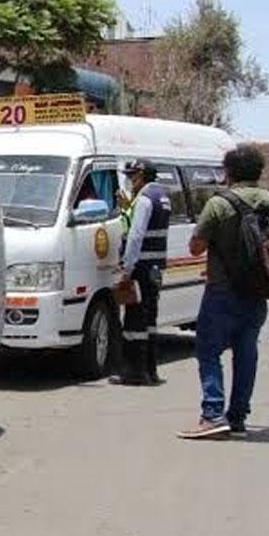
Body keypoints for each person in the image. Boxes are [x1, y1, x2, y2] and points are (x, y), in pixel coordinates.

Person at [178, 146, 269, 439]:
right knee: (246, 353)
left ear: (229, 172)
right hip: (259, 290)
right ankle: (237, 417)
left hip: (222, 291)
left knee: (208, 351)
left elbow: (196, 246)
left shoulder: (219, 203)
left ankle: (213, 414)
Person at [111, 159, 171, 386]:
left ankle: (134, 373)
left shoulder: (145, 199)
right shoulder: (162, 196)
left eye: (132, 176)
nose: (129, 180)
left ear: (142, 176)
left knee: (134, 321)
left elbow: (136, 236)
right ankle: (150, 371)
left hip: (141, 267)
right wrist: (128, 207)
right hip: (155, 268)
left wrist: (127, 268)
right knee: (150, 320)